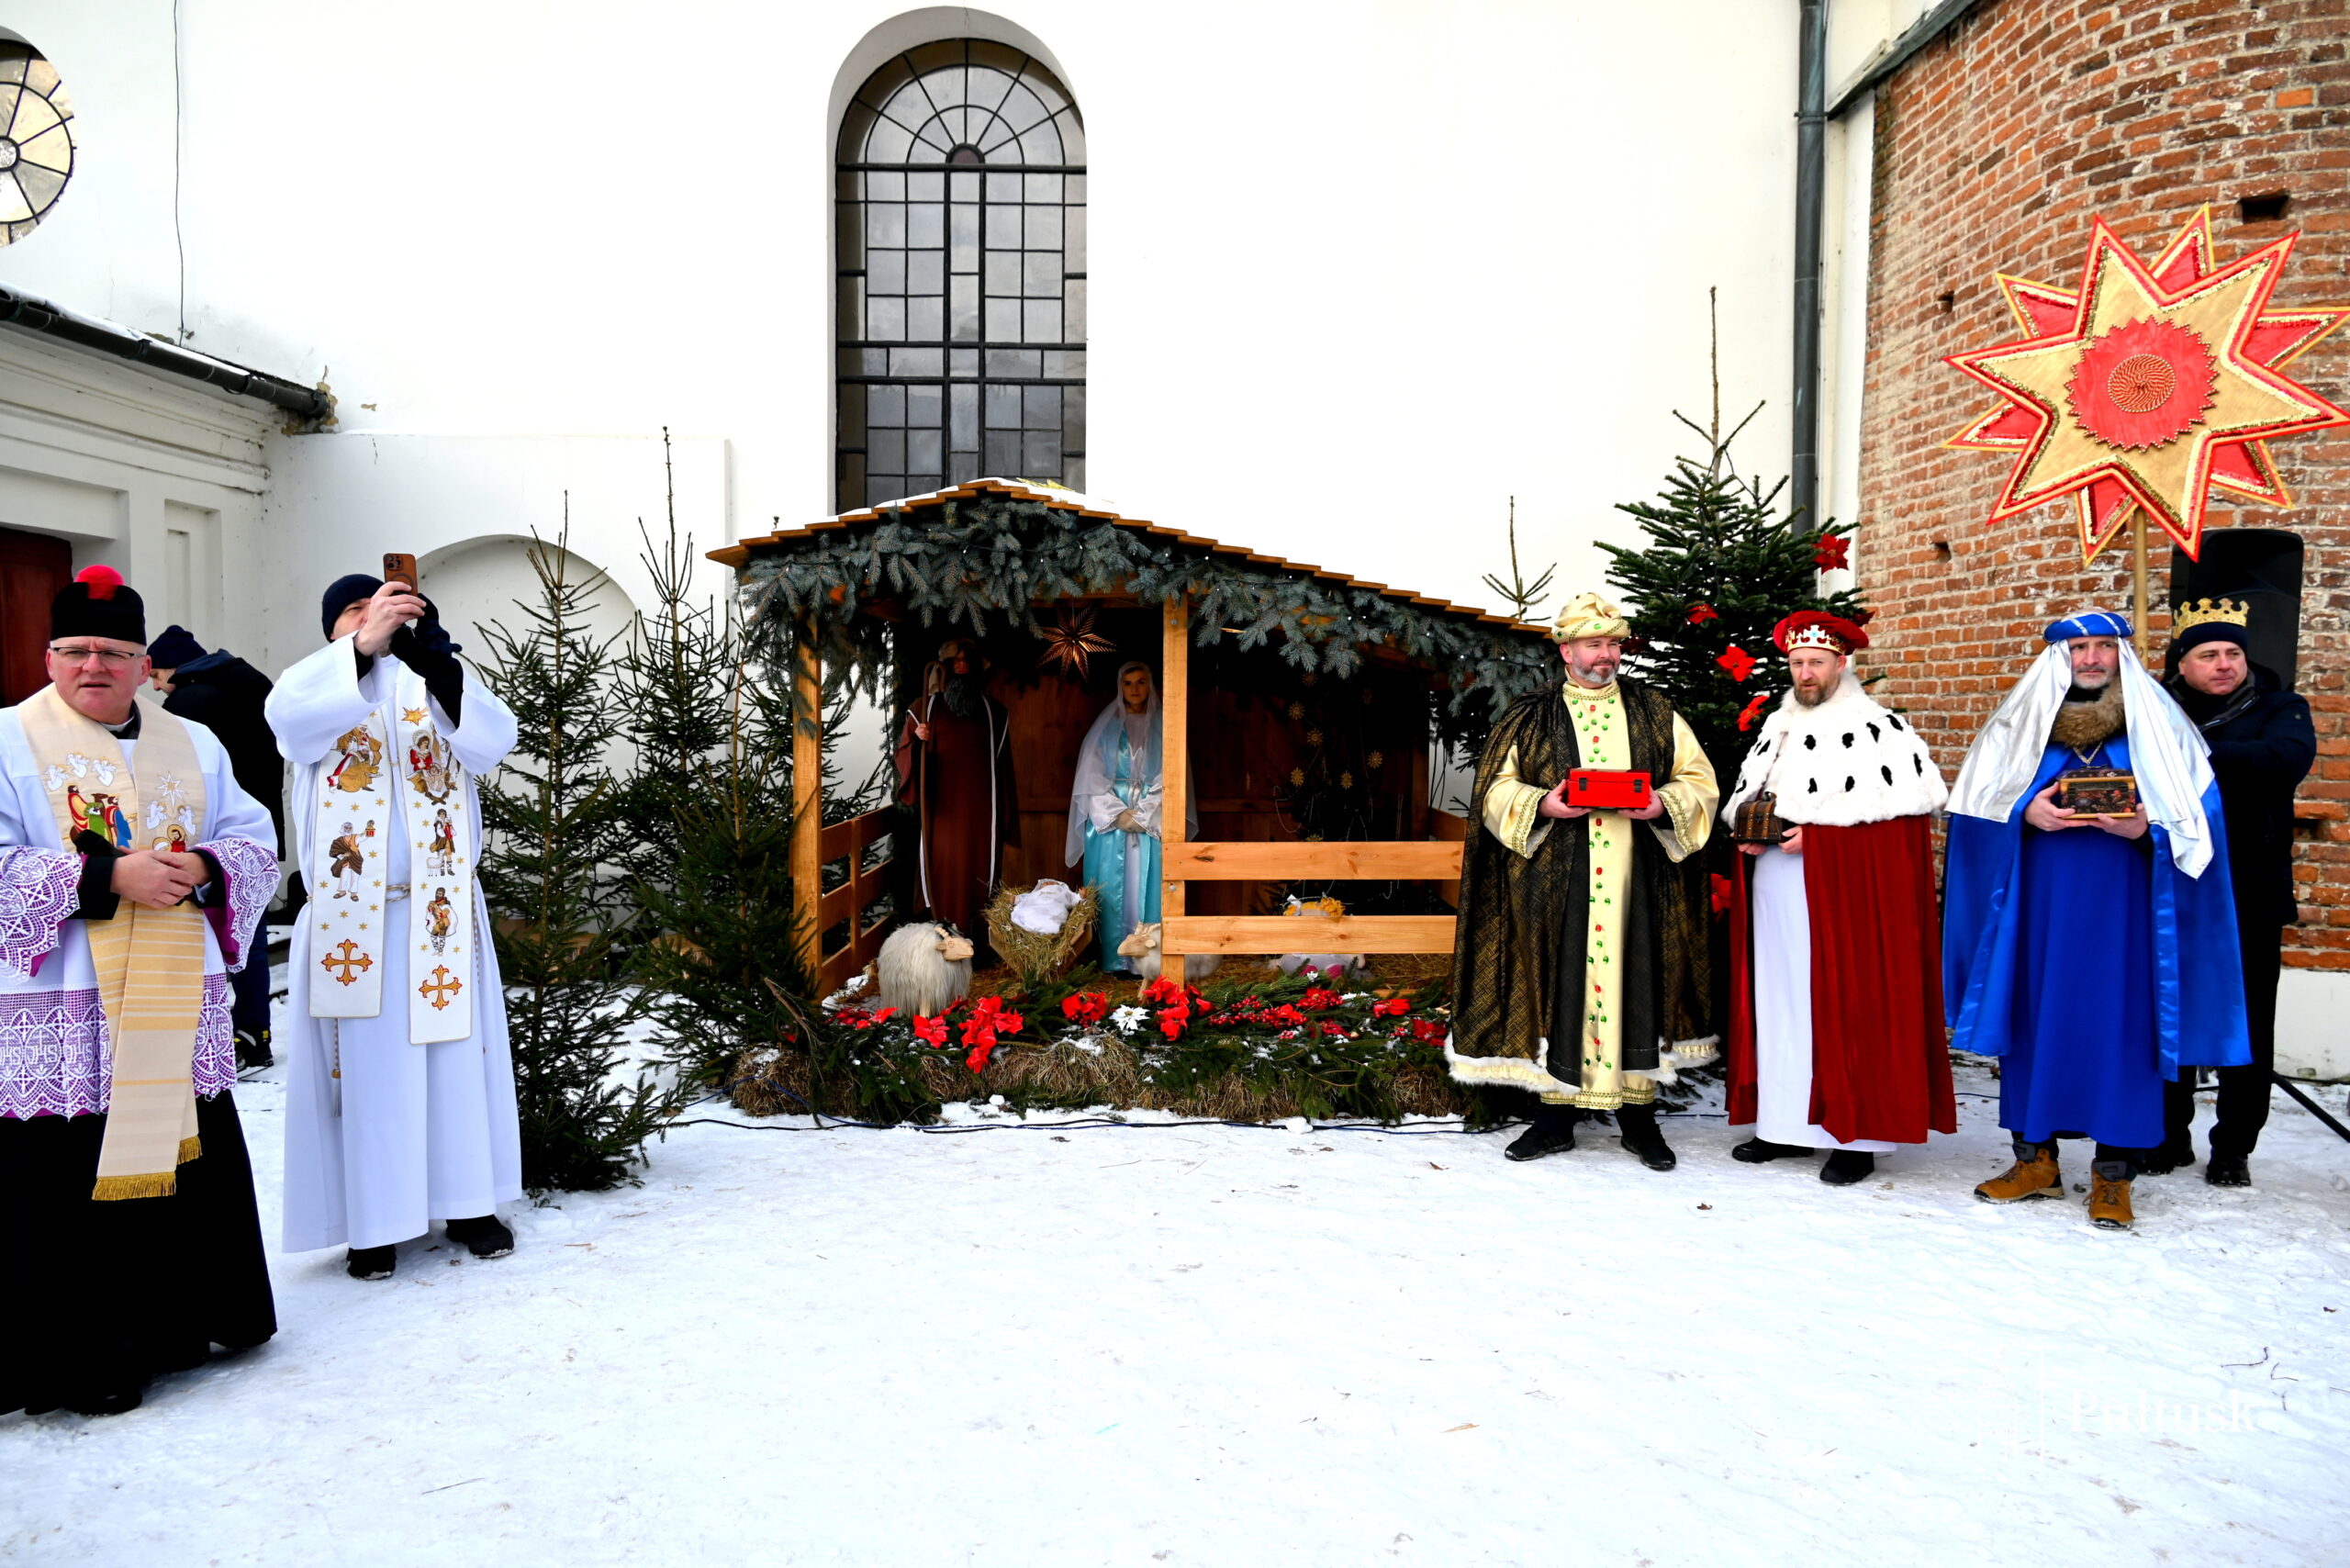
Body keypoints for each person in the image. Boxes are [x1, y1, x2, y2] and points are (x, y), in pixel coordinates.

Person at [0, 566, 278, 1417]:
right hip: (67, 1002)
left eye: (114, 652)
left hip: (172, 993)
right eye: (75, 650)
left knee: (182, 1155)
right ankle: (85, 1359)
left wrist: (205, 865)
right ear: (48, 658)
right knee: (64, 1179)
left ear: (142, 661)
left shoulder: (193, 742)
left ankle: (179, 1328)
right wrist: (106, 877)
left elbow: (254, 835)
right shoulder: (8, 740)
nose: (94, 665)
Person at [1944, 610, 2250, 1231]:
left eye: (2103, 647)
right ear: (2059, 657)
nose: (2090, 658)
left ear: (2120, 655)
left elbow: (2202, 822)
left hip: (2127, 917)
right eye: (2078, 648)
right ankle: (2035, 1162)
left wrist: (2148, 829)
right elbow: (1974, 815)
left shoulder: (2157, 727)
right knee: (2033, 1022)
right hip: (2036, 914)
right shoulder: (2018, 729)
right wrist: (2024, 814)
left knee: (2124, 1030)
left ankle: (2114, 1174)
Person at [269, 574, 523, 1281]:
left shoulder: (432, 684)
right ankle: (372, 1225)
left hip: (440, 910)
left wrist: (442, 669)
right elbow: (291, 727)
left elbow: (494, 742)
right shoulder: (312, 685)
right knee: (368, 1077)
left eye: (386, 606)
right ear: (332, 629)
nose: (374, 617)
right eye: (355, 610)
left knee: (453, 1066)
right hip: (355, 917)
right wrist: (362, 647)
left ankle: (468, 1205)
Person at [1445, 591, 1718, 1171]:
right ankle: (1554, 1120)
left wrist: (1662, 805)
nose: (1606, 656)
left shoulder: (1654, 711)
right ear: (1566, 651)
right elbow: (1494, 789)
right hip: (1555, 882)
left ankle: (1640, 1121)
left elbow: (1699, 780)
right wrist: (1543, 804)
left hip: (1638, 880)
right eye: (1594, 645)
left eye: (1614, 645)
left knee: (1638, 980)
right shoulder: (1531, 715)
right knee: (1559, 983)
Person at [1719, 611, 1954, 1184]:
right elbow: (1754, 802)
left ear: (1841, 664)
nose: (1806, 673)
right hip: (1776, 888)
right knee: (1781, 1002)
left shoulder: (1879, 729)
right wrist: (1751, 835)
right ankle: (1784, 1126)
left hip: (1845, 896)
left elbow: (1900, 830)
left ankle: (1857, 1136)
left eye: (1817, 663)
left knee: (1848, 1002)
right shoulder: (1777, 726)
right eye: (1797, 663)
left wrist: (1822, 841)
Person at [2145, 599, 2315, 1186]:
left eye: (2232, 653)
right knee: (2169, 1011)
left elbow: (2282, 760)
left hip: (2248, 891)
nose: (2224, 664)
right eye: (2208, 654)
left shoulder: (2279, 707)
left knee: (2248, 1021)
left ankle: (2233, 1146)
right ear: (2182, 665)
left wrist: (2188, 757)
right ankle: (2167, 1135)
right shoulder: (2156, 712)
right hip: (2174, 888)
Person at [149, 623, 284, 1070]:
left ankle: (208, 1039)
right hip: (256, 827)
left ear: (175, 667)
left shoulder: (187, 703)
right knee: (251, 936)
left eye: (157, 674)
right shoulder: (251, 683)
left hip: (206, 836)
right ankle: (255, 1033)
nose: (154, 685)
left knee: (200, 938)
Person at [1067, 662, 1193, 971]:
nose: (1135, 689)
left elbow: (1172, 774)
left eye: (1141, 682)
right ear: (1119, 687)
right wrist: (1119, 814)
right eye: (1128, 683)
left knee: (1152, 883)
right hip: (1112, 824)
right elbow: (1091, 777)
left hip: (1152, 818)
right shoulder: (1106, 728)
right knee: (1111, 886)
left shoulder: (1166, 728)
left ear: (1150, 685)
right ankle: (1115, 959)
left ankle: (1150, 960)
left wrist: (1146, 814)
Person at [894, 638, 1019, 941]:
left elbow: (1004, 768)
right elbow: (904, 756)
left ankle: (979, 945)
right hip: (941, 816)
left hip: (982, 817)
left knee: (981, 876)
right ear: (945, 666)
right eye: (955, 661)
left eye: (968, 661)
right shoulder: (924, 710)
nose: (962, 666)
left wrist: (1006, 817)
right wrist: (917, 741)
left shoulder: (994, 714)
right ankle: (938, 942)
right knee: (940, 872)